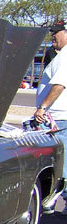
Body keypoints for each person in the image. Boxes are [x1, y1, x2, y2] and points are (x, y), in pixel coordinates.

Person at [35, 20, 67, 211]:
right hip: (59, 116)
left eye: (56, 33)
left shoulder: (65, 57)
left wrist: (43, 107)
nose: (52, 36)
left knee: (58, 161)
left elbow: (59, 85)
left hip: (58, 117)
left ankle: (51, 199)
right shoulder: (59, 55)